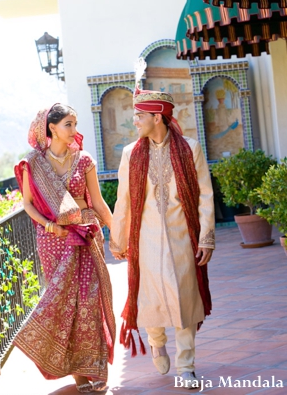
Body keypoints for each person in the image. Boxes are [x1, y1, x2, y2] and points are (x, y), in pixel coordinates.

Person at [109, 69, 215, 390]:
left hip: (183, 236)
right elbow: (123, 200)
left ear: (157, 117)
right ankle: (156, 340)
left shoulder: (190, 149)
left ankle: (187, 366)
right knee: (150, 296)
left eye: (139, 116)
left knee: (184, 299)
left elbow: (206, 195)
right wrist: (117, 239)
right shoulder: (130, 154)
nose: (135, 122)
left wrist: (207, 237)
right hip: (145, 238)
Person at [14, 103, 115, 393]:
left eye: (75, 123)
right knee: (64, 306)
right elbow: (29, 205)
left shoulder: (84, 160)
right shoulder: (32, 164)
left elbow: (97, 201)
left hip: (85, 234)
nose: (74, 129)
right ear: (52, 128)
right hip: (53, 239)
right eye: (68, 124)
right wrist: (50, 226)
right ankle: (78, 377)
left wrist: (116, 230)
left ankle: (93, 367)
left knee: (89, 303)